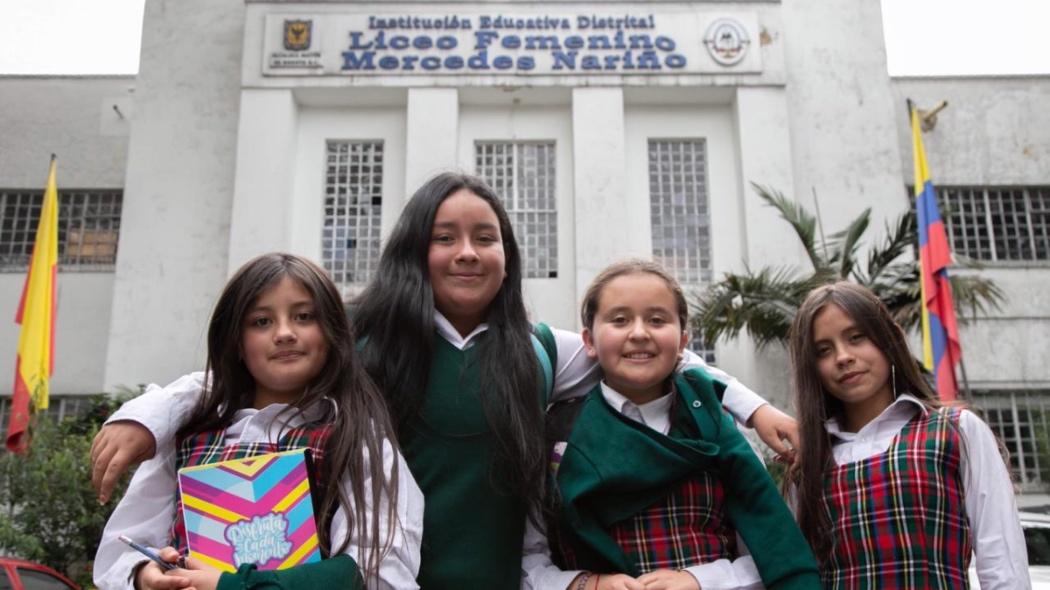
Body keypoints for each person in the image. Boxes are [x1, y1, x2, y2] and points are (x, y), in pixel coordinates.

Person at [91, 173, 799, 589]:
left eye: (485, 237)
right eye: (445, 236)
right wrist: (148, 413)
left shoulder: (541, 350)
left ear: (508, 253)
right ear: (413, 249)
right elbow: (244, 367)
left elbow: (643, 348)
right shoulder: (359, 342)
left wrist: (755, 409)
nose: (467, 252)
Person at [93, 253, 423, 590]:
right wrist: (144, 575)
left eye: (304, 316)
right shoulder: (186, 436)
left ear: (331, 333)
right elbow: (121, 550)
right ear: (236, 341)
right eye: (261, 321)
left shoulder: (355, 437)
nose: (284, 333)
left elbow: (381, 569)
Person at [523, 260, 820, 590]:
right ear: (588, 341)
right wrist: (583, 584)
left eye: (657, 319)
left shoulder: (716, 427)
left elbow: (772, 551)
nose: (639, 333)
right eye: (619, 320)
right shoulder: (556, 436)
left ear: (682, 342)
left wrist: (701, 580)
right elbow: (528, 561)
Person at [788, 281, 1029, 589]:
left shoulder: (955, 431)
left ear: (888, 340)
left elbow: (1002, 558)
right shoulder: (809, 462)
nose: (843, 356)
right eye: (824, 350)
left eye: (856, 337)